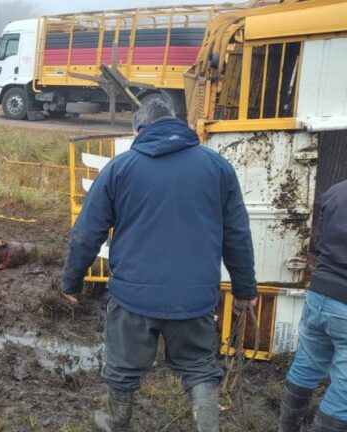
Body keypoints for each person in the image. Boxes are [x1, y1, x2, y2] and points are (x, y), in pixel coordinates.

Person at [60, 98, 257, 432]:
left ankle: (116, 422)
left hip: (133, 297)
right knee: (199, 367)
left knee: (123, 367)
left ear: (139, 130)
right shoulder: (218, 167)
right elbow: (236, 233)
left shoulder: (120, 168)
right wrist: (245, 289)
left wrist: (71, 281)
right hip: (195, 296)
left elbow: (86, 233)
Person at [279, 179, 347, 432]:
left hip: (319, 294)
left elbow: (318, 241)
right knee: (344, 390)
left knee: (307, 363)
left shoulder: (336, 191)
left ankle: (287, 428)